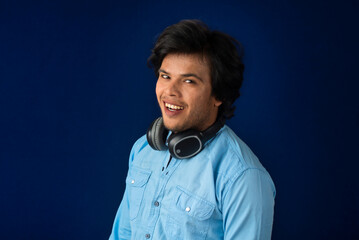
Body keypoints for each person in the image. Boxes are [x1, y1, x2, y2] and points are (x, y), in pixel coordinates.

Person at [109, 19, 276, 240]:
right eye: (165, 76)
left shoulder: (244, 177)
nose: (170, 91)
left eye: (188, 81)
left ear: (219, 95)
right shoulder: (142, 150)